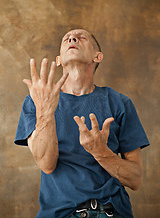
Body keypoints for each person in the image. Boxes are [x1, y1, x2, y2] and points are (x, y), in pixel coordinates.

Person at [15, 29, 150, 218]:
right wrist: (45, 112)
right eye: (67, 39)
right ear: (59, 59)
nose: (72, 38)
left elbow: (135, 179)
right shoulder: (36, 100)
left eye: (81, 37)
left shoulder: (120, 103)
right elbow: (46, 164)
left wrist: (100, 152)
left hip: (112, 212)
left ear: (98, 56)